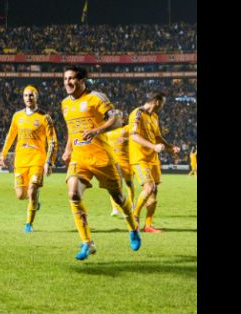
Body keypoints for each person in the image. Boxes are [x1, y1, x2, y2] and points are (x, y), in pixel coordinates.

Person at [61, 66, 141, 260]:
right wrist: (68, 149)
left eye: (72, 79)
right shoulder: (65, 104)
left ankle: (133, 226)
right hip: (80, 159)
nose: (68, 83)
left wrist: (97, 130)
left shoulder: (96, 98)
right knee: (73, 193)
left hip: (103, 158)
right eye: (65, 79)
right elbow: (72, 130)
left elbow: (117, 119)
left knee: (120, 199)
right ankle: (87, 242)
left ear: (82, 81)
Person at [0, 85, 57, 232]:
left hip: (37, 159)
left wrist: (49, 161)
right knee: (20, 195)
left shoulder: (44, 117)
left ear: (36, 97)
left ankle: (28, 224)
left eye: (31, 95)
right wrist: (2, 154)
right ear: (23, 98)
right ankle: (35, 200)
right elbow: (10, 136)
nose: (28, 98)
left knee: (32, 189)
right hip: (21, 161)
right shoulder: (17, 116)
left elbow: (52, 141)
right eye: (26, 95)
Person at [128, 91, 181, 233]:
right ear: (157, 101)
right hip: (140, 158)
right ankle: (134, 217)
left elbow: (157, 136)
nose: (162, 106)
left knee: (154, 191)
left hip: (152, 159)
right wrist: (153, 147)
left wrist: (170, 147)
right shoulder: (137, 113)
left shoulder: (155, 117)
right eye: (162, 103)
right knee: (149, 188)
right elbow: (133, 136)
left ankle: (148, 225)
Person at [104, 110, 136, 217]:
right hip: (113, 162)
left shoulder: (126, 129)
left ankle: (132, 204)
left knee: (129, 184)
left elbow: (136, 137)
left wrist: (127, 139)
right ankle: (115, 209)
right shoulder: (107, 132)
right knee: (114, 186)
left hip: (126, 162)